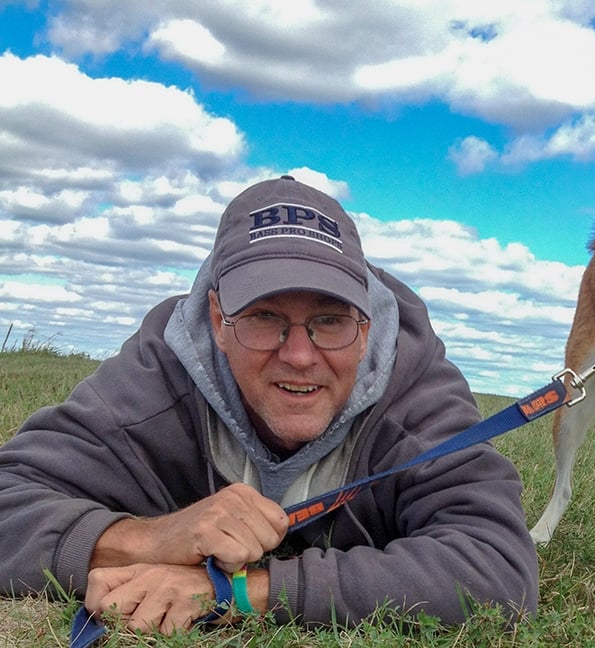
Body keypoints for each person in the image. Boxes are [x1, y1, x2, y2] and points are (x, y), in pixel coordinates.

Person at [0, 175, 539, 635]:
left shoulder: (415, 393)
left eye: (330, 320)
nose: (300, 356)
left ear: (368, 322)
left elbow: (497, 568)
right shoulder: (155, 378)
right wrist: (150, 538)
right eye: (264, 317)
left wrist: (239, 592)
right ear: (217, 319)